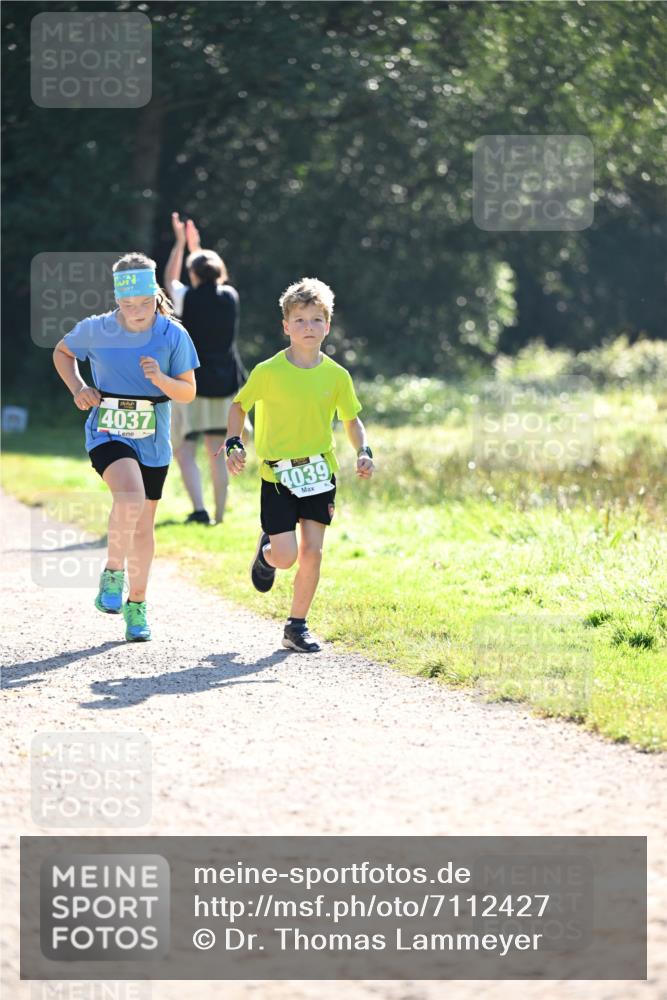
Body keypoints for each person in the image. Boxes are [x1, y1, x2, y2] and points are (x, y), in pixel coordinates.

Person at [219, 277, 375, 653]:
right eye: (300, 320)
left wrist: (364, 450)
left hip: (320, 473)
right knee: (286, 556)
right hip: (277, 476)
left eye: (316, 320)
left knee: (313, 552)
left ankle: (297, 625)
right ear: (286, 326)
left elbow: (351, 420)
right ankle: (267, 552)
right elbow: (239, 406)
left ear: (328, 325)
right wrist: (233, 443)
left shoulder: (337, 376)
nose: (309, 327)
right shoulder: (268, 371)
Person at [52, 253, 199, 642]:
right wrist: (79, 387)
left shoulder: (173, 335)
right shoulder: (97, 329)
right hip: (107, 430)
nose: (137, 311)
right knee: (130, 498)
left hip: (153, 437)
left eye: (144, 303)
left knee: (144, 527)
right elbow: (62, 352)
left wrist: (161, 378)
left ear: (156, 295)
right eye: (127, 304)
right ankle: (112, 573)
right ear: (117, 300)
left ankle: (137, 606)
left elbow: (187, 392)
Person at [164, 212, 245, 525]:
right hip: (226, 382)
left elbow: (171, 280)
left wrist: (181, 243)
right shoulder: (231, 297)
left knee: (185, 449)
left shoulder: (187, 297)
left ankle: (199, 510)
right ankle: (221, 515)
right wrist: (198, 250)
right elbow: (211, 276)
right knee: (218, 451)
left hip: (193, 382)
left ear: (193, 274)